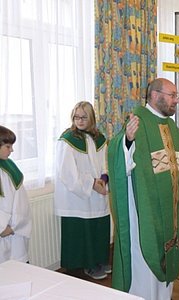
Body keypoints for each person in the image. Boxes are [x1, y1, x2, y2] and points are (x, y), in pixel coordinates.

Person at [108, 78, 179, 300]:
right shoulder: (139, 120)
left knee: (164, 263)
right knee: (145, 258)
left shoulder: (168, 125)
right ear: (156, 95)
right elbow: (117, 154)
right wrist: (127, 141)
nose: (177, 101)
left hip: (169, 208)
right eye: (173, 95)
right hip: (145, 210)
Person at [54, 101, 110, 280]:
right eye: (76, 117)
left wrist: (103, 179)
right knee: (84, 230)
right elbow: (67, 172)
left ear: (91, 118)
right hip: (78, 196)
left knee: (99, 227)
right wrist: (91, 183)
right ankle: (88, 265)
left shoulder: (99, 138)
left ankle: (100, 260)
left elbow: (105, 163)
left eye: (83, 117)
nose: (79, 120)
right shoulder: (68, 140)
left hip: (97, 191)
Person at [0, 126, 32, 264]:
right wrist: (2, 227)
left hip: (14, 227)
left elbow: (19, 198)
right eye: (8, 146)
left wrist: (15, 226)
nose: (11, 150)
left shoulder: (8, 165)